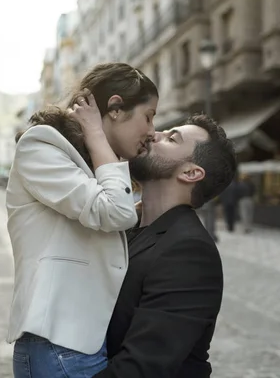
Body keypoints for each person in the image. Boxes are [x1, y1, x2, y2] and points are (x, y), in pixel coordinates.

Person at [7, 63, 159, 378]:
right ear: (116, 108)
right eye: (149, 116)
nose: (152, 130)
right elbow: (114, 212)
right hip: (60, 344)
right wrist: (96, 136)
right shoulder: (41, 146)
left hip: (82, 343)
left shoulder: (93, 164)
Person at [94, 114, 237, 378]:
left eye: (171, 138)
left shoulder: (189, 251)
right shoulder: (124, 226)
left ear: (191, 172)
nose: (153, 134)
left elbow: (142, 368)